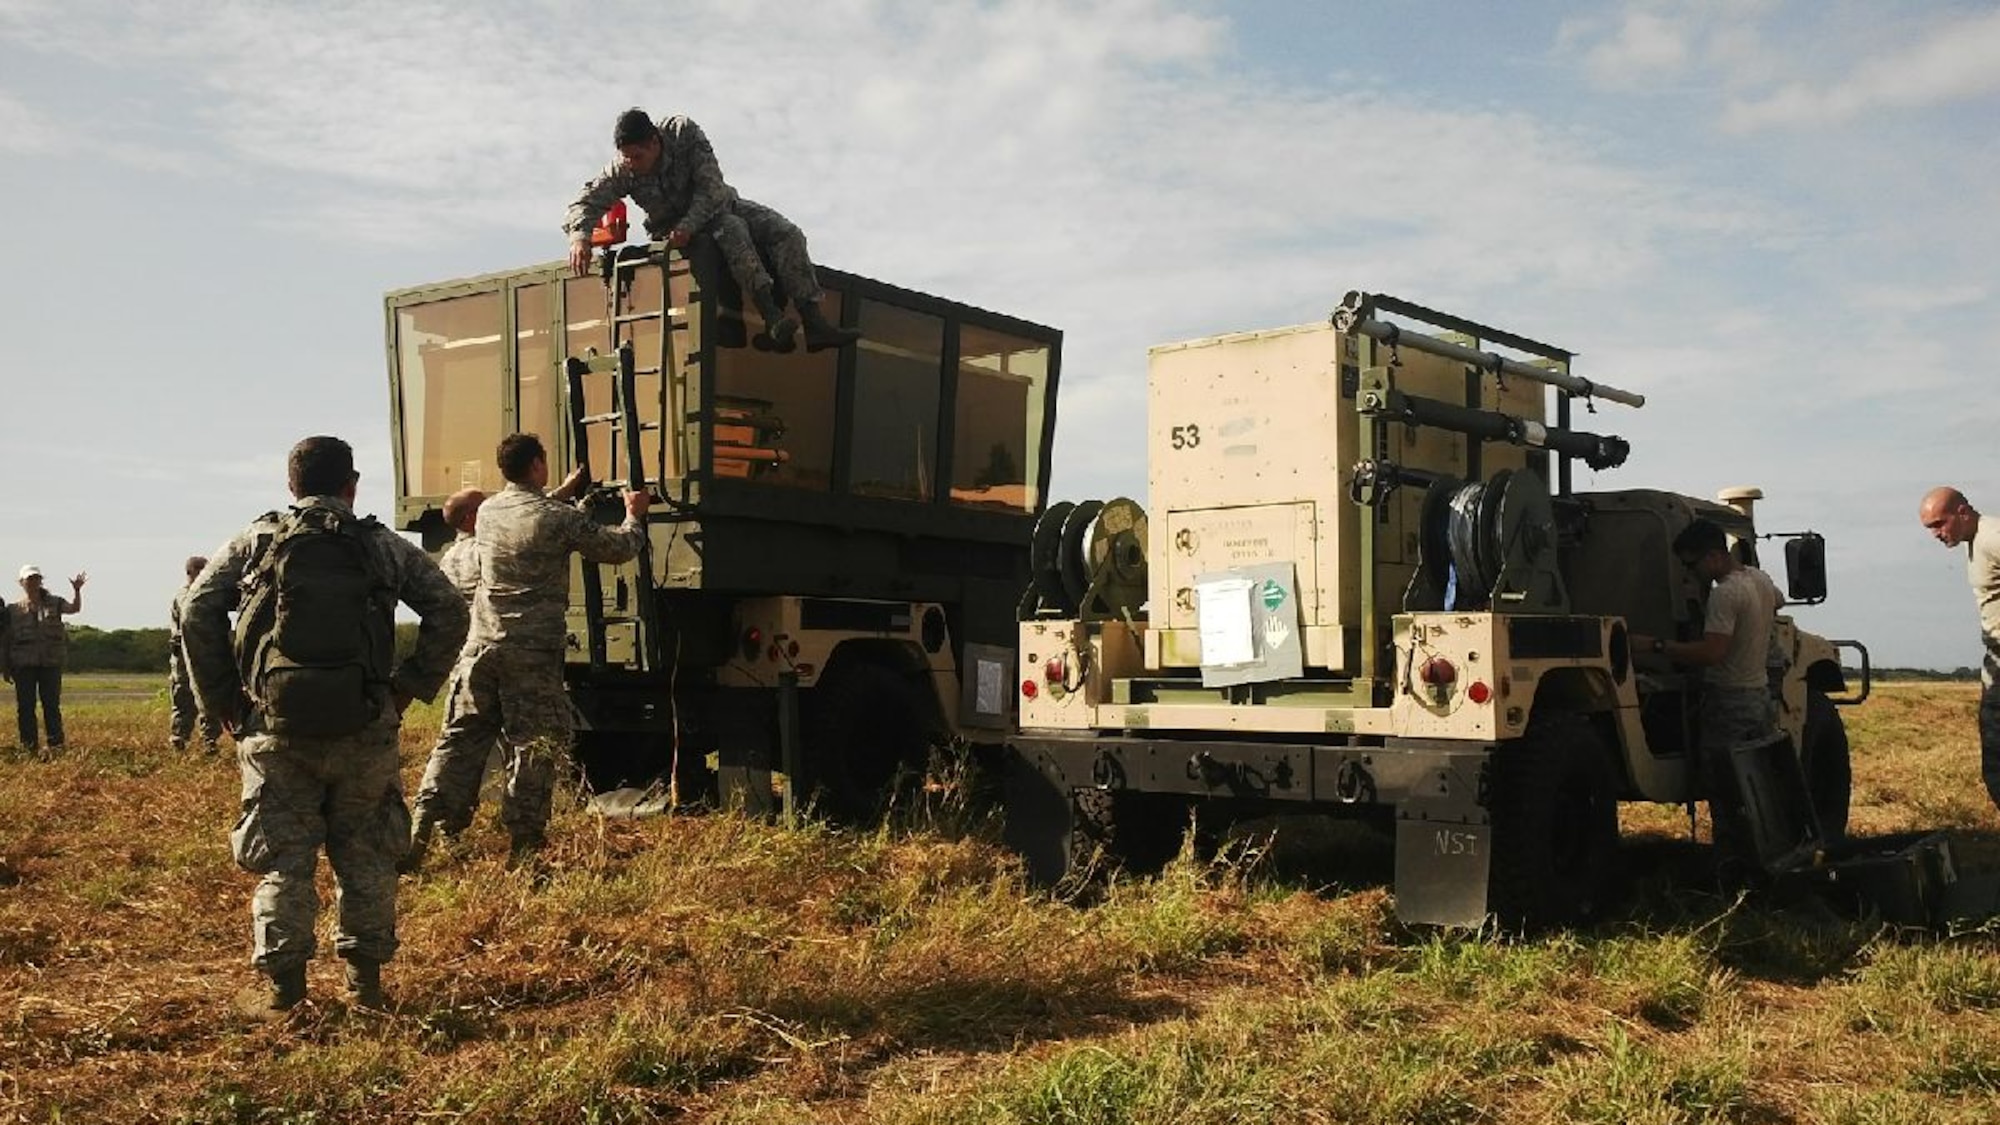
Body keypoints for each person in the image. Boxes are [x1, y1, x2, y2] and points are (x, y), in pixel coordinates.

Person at [182, 436, 468, 1015]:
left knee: (284, 862)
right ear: (352, 484)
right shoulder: (380, 544)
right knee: (366, 854)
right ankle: (366, 987)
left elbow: (197, 608)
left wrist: (223, 701)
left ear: (292, 485)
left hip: (274, 727)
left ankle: (285, 994)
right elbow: (451, 608)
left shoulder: (259, 539)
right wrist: (408, 687)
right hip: (365, 724)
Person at [406, 433, 648, 868]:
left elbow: (529, 514)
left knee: (458, 742)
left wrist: (564, 494)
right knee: (533, 747)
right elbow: (619, 549)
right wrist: (634, 516)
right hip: (530, 658)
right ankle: (523, 850)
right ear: (537, 465)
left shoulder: (490, 512)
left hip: (479, 649)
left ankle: (419, 834)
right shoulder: (557, 518)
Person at [562, 107, 861, 354]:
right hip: (675, 231)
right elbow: (585, 202)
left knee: (787, 233)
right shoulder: (625, 168)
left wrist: (689, 225)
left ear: (654, 142)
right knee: (732, 230)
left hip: (716, 206)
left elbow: (712, 188)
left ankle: (813, 322)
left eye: (637, 157)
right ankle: (771, 316)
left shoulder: (683, 134)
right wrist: (580, 238)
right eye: (626, 157)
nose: (632, 165)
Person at [1633, 519, 1783, 862]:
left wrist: (1655, 645)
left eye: (1691, 564)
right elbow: (1779, 600)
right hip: (1758, 697)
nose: (1689, 573)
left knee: (1726, 793)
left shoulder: (1725, 593)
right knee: (1755, 785)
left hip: (1729, 702)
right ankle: (1765, 858)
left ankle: (1733, 871)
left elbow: (1712, 653)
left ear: (1714, 556)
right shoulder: (1758, 580)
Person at [1918, 486, 2000, 812]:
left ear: (1963, 512)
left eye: (1940, 524)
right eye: (1930, 528)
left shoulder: (1992, 537)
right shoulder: (1976, 541)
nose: (1936, 534)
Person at [6, 565, 85, 753]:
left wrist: (77, 591)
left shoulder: (55, 603)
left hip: (50, 663)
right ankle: (29, 747)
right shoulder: (13, 609)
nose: (32, 582)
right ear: (21, 583)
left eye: (36, 578)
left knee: (51, 706)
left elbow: (74, 609)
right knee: (25, 707)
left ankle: (56, 745)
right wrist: (6, 666)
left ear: (41, 580)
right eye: (29, 579)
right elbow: (7, 639)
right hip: (23, 664)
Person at [168, 555, 223, 753]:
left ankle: (210, 740)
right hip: (183, 653)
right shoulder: (183, 596)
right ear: (190, 572)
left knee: (208, 695)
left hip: (206, 652)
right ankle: (179, 738)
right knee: (182, 695)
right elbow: (181, 622)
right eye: (199, 570)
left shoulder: (211, 595)